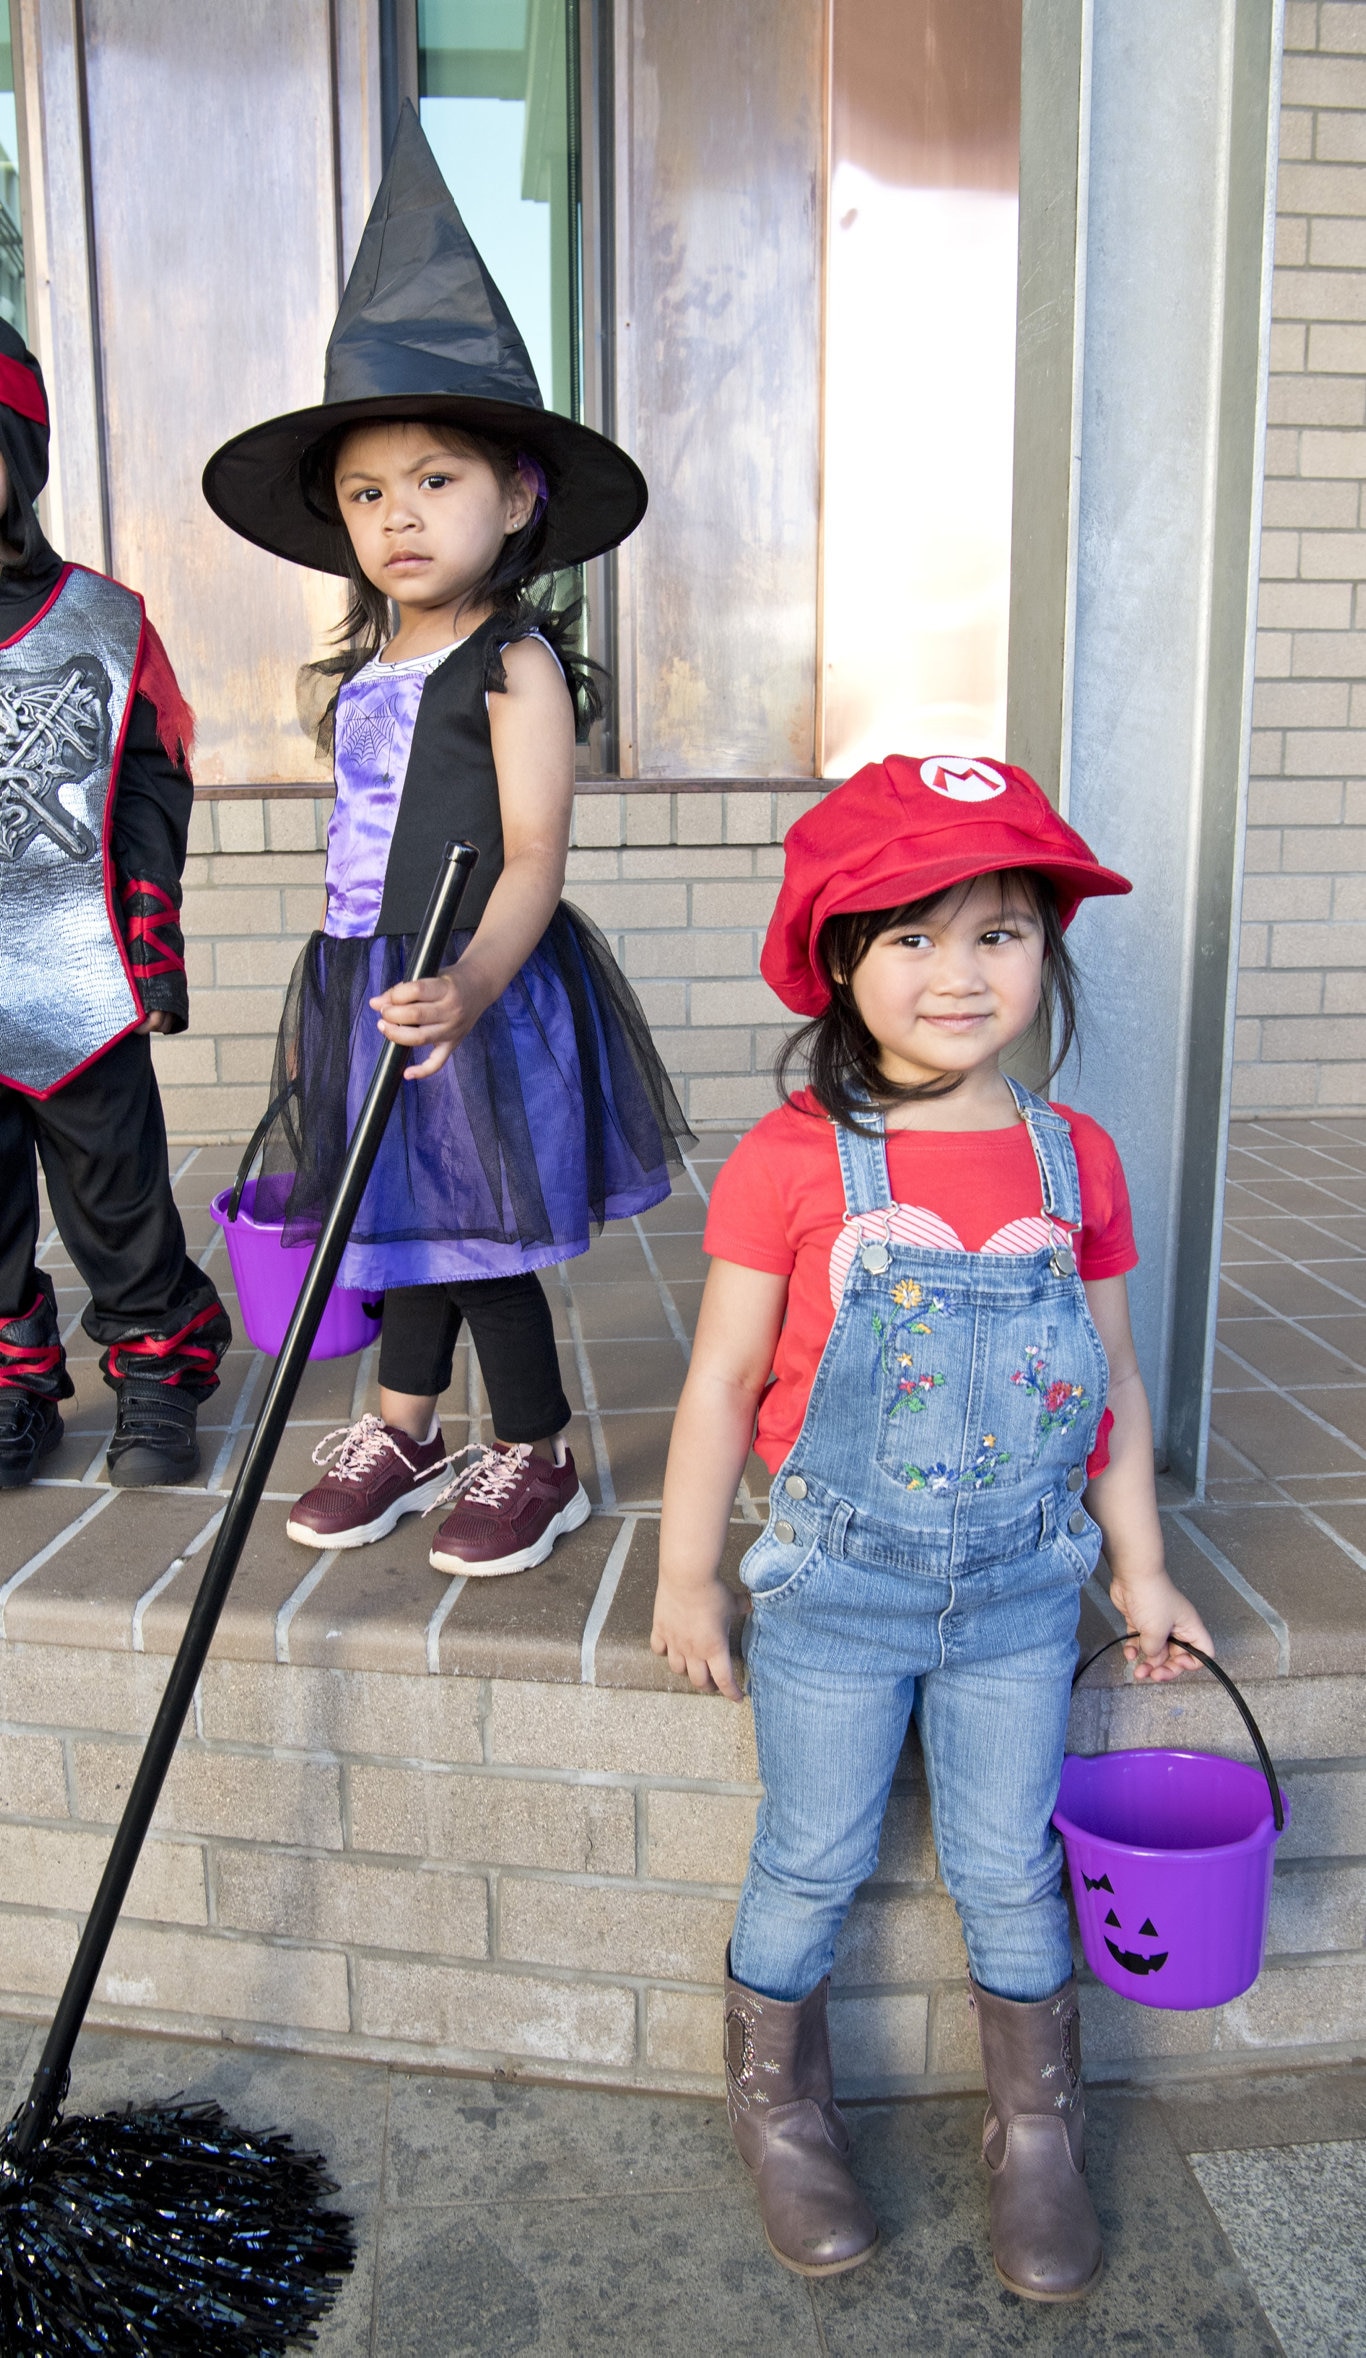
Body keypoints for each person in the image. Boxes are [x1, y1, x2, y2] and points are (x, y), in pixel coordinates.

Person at [651, 753, 1213, 2300]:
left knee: (1007, 1864)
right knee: (813, 1851)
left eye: (997, 931)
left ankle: (1035, 2130)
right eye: (910, 934)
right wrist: (687, 1572)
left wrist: (1141, 1571)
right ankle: (781, 2104)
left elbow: (1103, 1375)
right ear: (839, 959)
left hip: (1025, 1596)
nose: (958, 973)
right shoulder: (791, 1160)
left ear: (1044, 949)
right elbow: (718, 1384)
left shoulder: (1069, 1155)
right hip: (837, 1591)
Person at [203, 105, 688, 1576]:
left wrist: (471, 983)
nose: (398, 516)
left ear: (515, 493)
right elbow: (354, 849)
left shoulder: (513, 666)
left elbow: (533, 852)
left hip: (477, 984)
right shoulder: (362, 676)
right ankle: (407, 1424)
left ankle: (531, 1448)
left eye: (434, 480)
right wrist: (336, 1007)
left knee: (478, 1235)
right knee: (392, 1213)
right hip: (367, 977)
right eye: (367, 490)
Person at [0, 321, 230, 1489]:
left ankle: (157, 1361)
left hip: (73, 966)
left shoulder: (102, 619)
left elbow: (151, 790)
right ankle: (12, 1382)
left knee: (115, 1193)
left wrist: (150, 947)